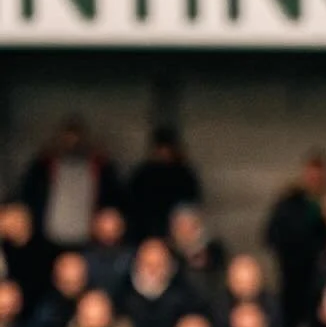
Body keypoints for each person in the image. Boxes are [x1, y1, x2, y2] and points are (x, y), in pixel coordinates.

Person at [20, 118, 124, 249]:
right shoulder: (44, 166)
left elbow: (113, 201)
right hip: (48, 237)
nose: (72, 144)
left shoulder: (100, 167)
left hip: (87, 239)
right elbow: (28, 197)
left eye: (76, 140)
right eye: (67, 140)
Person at [265, 152, 326, 327]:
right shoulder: (289, 202)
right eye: (311, 175)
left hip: (322, 279)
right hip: (293, 275)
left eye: (319, 176)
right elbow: (272, 234)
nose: (315, 180)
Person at [126, 125, 202, 243]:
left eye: (167, 149)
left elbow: (191, 206)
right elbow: (133, 205)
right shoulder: (143, 174)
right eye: (161, 148)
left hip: (176, 235)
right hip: (145, 232)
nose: (164, 153)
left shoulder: (184, 175)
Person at [83, 208, 134, 298]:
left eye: (113, 226)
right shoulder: (84, 257)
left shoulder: (130, 257)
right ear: (95, 227)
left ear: (121, 228)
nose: (108, 231)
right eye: (104, 224)